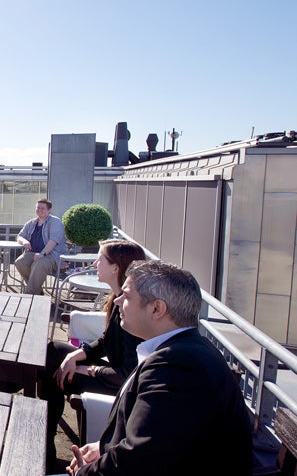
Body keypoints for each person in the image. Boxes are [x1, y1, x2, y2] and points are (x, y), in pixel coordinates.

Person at [67, 260, 251, 475]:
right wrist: (104, 447)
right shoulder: (184, 350)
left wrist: (84, 473)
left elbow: (140, 459)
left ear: (157, 308)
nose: (117, 301)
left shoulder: (178, 365)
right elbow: (159, 439)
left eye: (126, 296)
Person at [41, 239, 146, 470]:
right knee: (53, 352)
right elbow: (105, 342)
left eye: (101, 259)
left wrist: (89, 369)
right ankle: (45, 443)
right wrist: (76, 355)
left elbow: (128, 374)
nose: (95, 263)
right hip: (110, 372)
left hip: (118, 386)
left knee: (51, 376)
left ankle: (45, 449)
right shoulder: (118, 299)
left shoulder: (133, 310)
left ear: (116, 268)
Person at [14, 198, 67, 295]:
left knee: (38, 264)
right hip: (32, 253)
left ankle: (30, 294)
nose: (39, 210)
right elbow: (19, 236)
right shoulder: (31, 223)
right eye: (38, 208)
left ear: (49, 210)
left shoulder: (55, 222)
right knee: (19, 262)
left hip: (52, 255)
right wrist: (24, 241)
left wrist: (42, 254)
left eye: (43, 208)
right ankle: (37, 290)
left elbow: (53, 241)